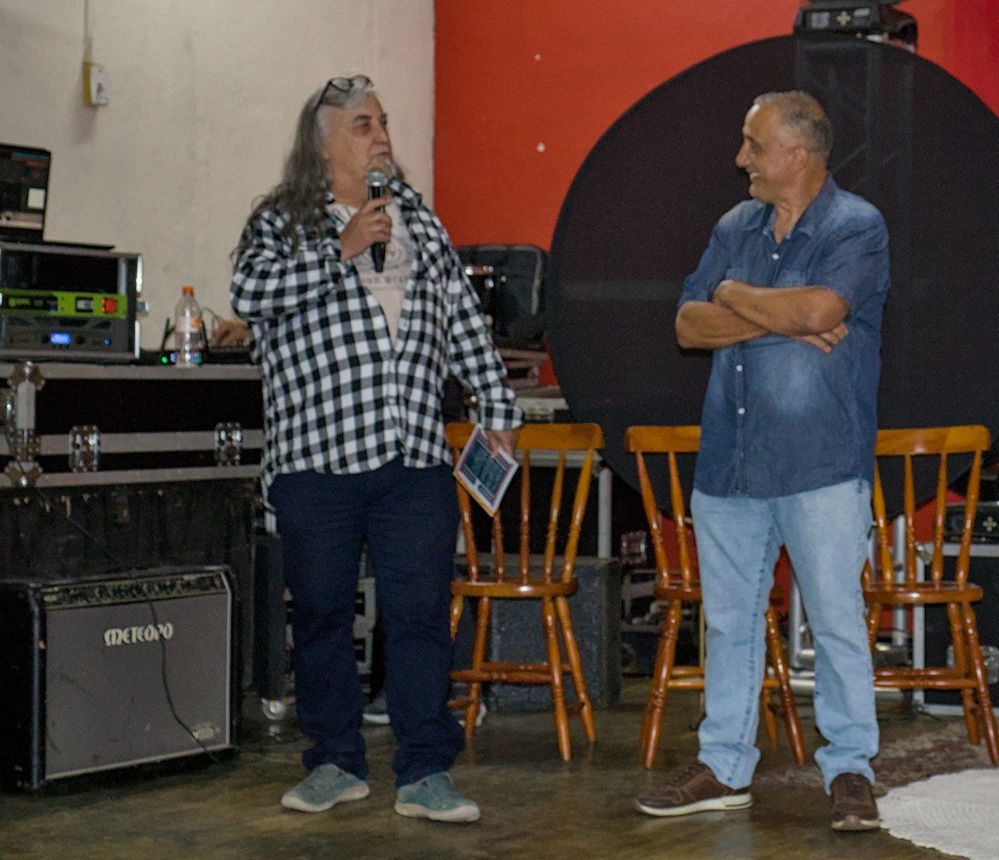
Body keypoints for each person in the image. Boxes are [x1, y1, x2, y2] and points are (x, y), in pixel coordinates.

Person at [230, 74, 522, 824]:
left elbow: (460, 317)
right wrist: (342, 246)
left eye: (383, 122)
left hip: (411, 454)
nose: (382, 135)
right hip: (316, 459)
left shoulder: (416, 217)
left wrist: (497, 406)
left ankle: (426, 772)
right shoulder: (281, 221)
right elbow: (250, 295)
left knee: (420, 615)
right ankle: (335, 762)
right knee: (322, 616)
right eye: (363, 125)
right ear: (322, 144)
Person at [633, 91, 890, 831]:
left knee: (836, 621)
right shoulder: (732, 225)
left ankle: (850, 769)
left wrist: (734, 295)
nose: (740, 157)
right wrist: (779, 317)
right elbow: (688, 326)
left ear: (797, 156)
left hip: (821, 465)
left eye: (754, 144)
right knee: (729, 624)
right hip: (731, 463)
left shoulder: (856, 225)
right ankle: (724, 765)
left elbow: (821, 313)